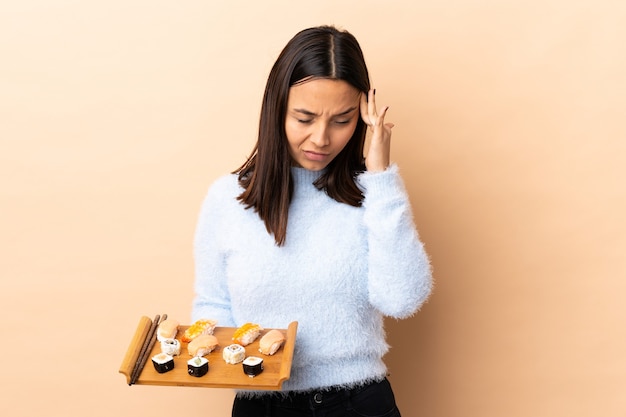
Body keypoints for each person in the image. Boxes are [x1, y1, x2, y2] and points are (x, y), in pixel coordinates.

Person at [192, 25, 432, 417]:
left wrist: (381, 178)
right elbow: (212, 305)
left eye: (342, 120)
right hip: (263, 404)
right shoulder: (227, 199)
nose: (321, 139)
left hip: (359, 403)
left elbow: (402, 300)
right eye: (304, 118)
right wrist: (243, 360)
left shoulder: (373, 193)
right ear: (276, 110)